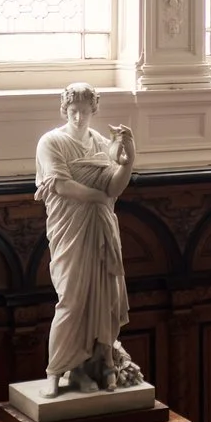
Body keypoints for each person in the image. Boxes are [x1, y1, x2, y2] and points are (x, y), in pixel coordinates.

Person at [34, 84, 140, 396]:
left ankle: (101, 364)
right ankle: (55, 370)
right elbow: (63, 187)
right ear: (64, 111)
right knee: (71, 299)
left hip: (101, 229)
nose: (79, 116)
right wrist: (99, 197)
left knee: (105, 297)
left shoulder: (103, 144)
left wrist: (128, 160)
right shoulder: (51, 142)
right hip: (70, 230)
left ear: (94, 110)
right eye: (73, 110)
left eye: (84, 110)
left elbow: (115, 187)